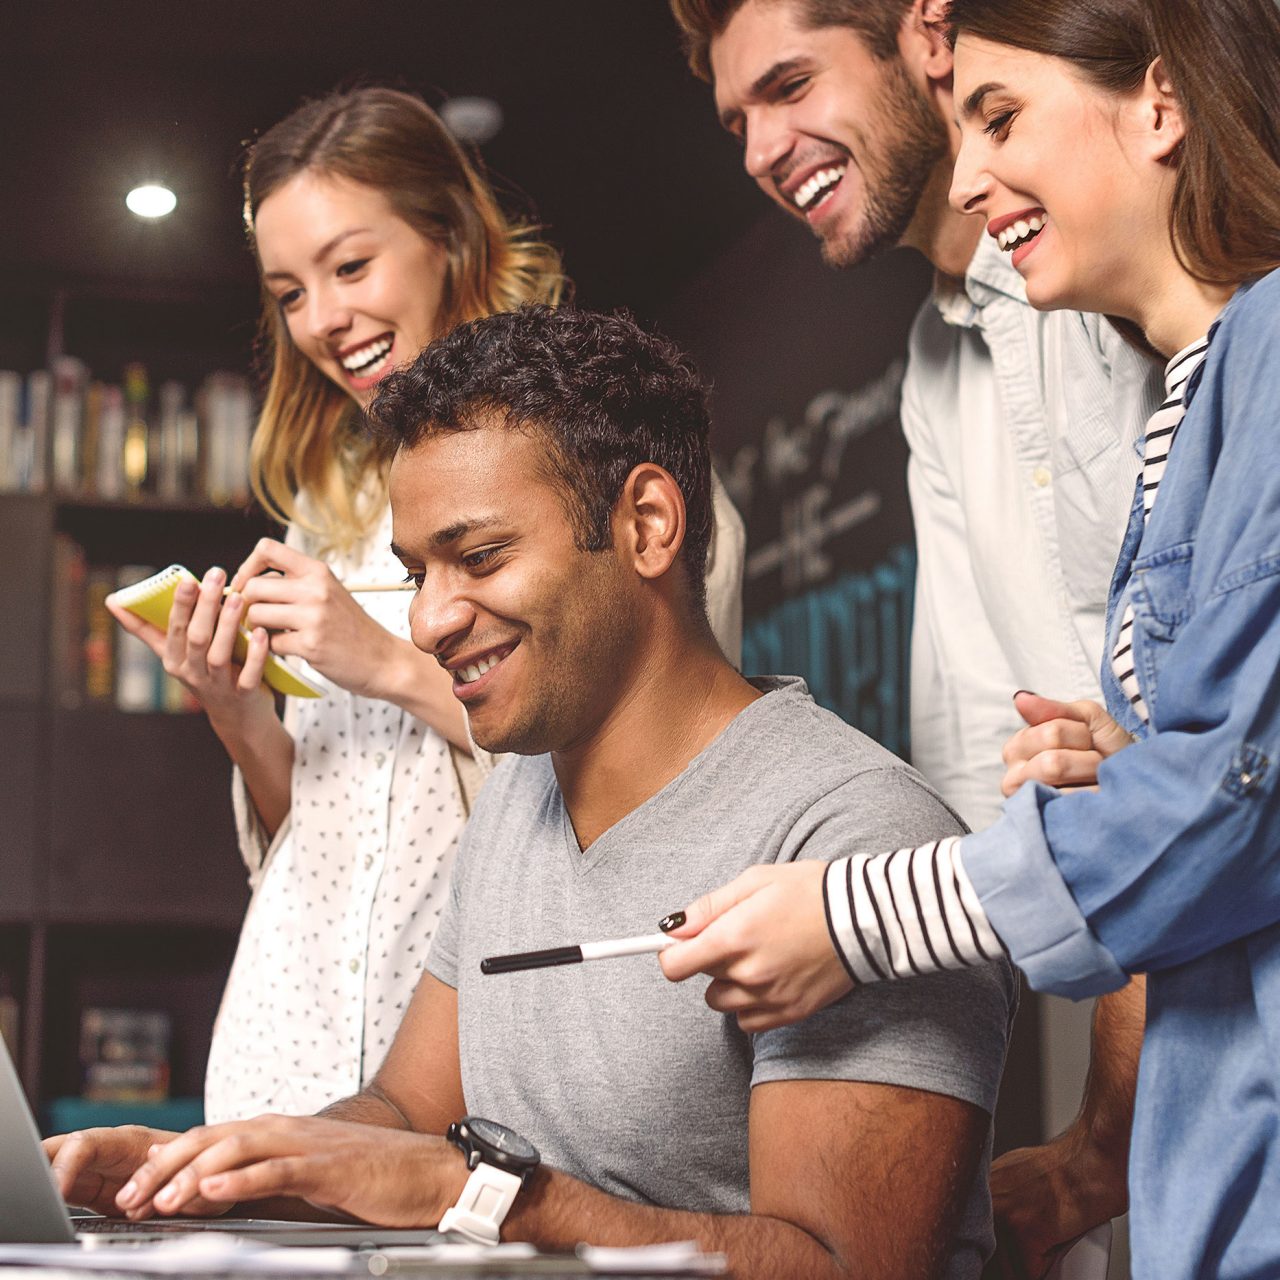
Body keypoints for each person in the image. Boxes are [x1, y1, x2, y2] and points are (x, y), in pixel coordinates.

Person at [49, 306, 1014, 1280]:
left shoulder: (853, 828)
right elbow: (397, 1118)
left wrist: (469, 1189)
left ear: (645, 524)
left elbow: (853, 1267)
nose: (428, 620)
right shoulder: (518, 800)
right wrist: (203, 1169)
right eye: (415, 572)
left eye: (477, 558)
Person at [659, 0, 1280, 1275]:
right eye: (735, 120)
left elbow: (1225, 792)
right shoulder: (1132, 377)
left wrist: (850, 913)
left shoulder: (1248, 345)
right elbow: (1132, 761)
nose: (975, 170)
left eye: (997, 118)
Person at [105, 87, 745, 1124]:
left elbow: (658, 782)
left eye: (351, 266)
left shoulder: (603, 466)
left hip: (469, 1056)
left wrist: (388, 662)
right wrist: (236, 709)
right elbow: (306, 828)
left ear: (448, 239)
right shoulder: (327, 516)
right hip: (284, 1046)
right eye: (290, 291)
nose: (323, 319)